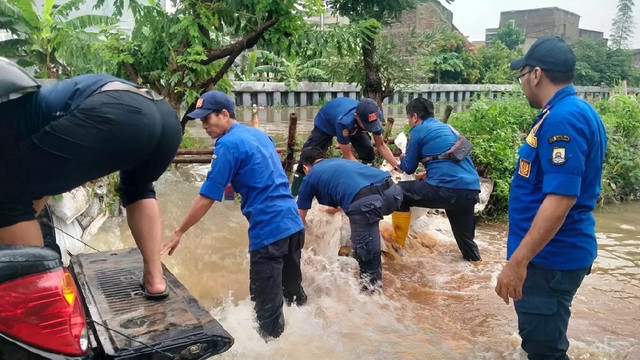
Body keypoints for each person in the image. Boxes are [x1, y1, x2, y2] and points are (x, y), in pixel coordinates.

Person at [0, 58, 182, 299]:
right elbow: (40, 182)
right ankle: (155, 280)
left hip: (118, 113)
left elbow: (18, 193)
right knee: (138, 189)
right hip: (164, 117)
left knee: (7, 197)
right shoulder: (34, 106)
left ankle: (40, 302)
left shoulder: (9, 121)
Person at [495, 36, 607, 359]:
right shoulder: (572, 110)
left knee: (545, 351)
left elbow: (561, 199)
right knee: (544, 342)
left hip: (548, 261)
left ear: (536, 74)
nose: (522, 83)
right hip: (553, 257)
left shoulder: (563, 119)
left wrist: (518, 261)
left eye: (522, 75)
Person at [161, 91, 306, 340]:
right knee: (293, 295)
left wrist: (179, 232)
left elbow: (206, 197)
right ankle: (310, 335)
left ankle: (274, 352)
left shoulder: (227, 144)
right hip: (293, 225)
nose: (204, 125)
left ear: (225, 115)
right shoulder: (260, 136)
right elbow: (257, 174)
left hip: (268, 233)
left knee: (266, 316)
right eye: (201, 121)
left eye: (208, 119)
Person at [296, 147, 403, 291]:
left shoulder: (310, 176)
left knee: (366, 259)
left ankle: (370, 303)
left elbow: (299, 219)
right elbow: (352, 188)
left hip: (367, 204)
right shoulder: (339, 162)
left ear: (305, 167)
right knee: (367, 242)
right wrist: (334, 210)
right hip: (393, 193)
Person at [392, 97, 482, 262]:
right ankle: (477, 267)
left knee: (400, 191)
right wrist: (427, 175)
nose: (409, 122)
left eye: (408, 118)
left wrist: (403, 157)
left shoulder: (417, 131)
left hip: (446, 189)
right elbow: (449, 161)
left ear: (414, 117)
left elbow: (409, 167)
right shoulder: (449, 129)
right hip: (470, 190)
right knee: (467, 243)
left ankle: (396, 248)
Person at [291, 97, 401, 196]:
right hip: (327, 122)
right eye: (367, 126)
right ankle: (296, 193)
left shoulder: (373, 116)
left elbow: (381, 145)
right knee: (306, 156)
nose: (370, 128)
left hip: (355, 128)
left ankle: (368, 187)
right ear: (357, 117)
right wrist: (366, 174)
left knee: (368, 151)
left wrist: (397, 166)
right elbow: (348, 156)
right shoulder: (344, 122)